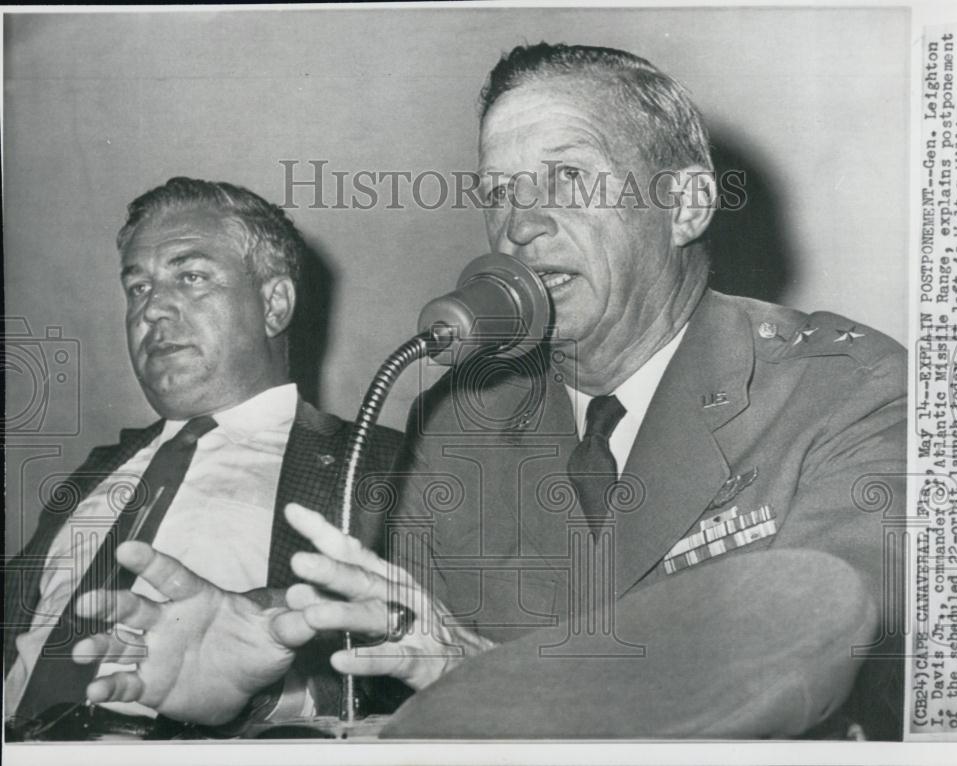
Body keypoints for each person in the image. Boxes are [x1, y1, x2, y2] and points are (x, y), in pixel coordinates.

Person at [64, 43, 907, 739]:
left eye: (567, 177)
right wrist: (267, 680)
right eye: (497, 192)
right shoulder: (461, 421)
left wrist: (488, 682)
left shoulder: (844, 389)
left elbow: (816, 669)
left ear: (685, 203)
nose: (520, 223)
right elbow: (398, 665)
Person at [3, 177, 403, 739]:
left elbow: (444, 659)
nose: (153, 310)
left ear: (274, 303)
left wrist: (267, 695)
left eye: (190, 277)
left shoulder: (378, 463)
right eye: (137, 287)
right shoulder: (97, 468)